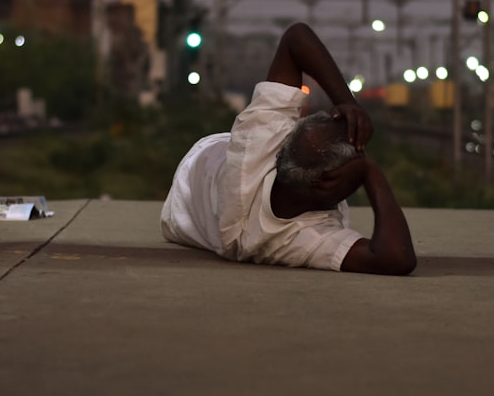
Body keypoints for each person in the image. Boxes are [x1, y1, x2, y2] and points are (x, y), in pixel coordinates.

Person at [160, 22, 416, 275]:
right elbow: (396, 258)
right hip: (181, 208)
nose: (363, 159)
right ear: (326, 186)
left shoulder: (260, 139)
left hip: (203, 167)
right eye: (357, 166)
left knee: (247, 143)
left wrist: (348, 103)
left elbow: (297, 36)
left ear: (286, 144)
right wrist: (372, 173)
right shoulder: (290, 240)